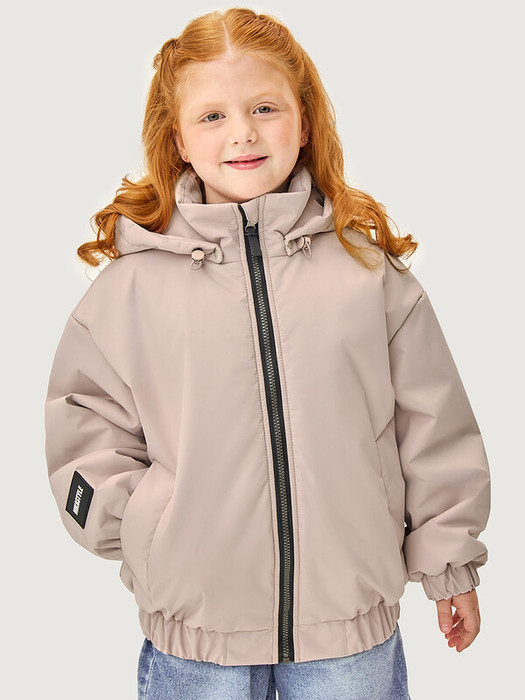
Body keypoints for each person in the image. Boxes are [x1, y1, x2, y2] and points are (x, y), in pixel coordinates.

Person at [44, 7, 491, 700]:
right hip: (198, 634)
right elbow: (84, 426)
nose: (243, 133)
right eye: (212, 116)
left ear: (304, 121)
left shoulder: (366, 275)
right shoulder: (130, 290)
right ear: (178, 139)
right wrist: (140, 525)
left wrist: (448, 563)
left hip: (348, 627)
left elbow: (434, 426)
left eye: (264, 108)